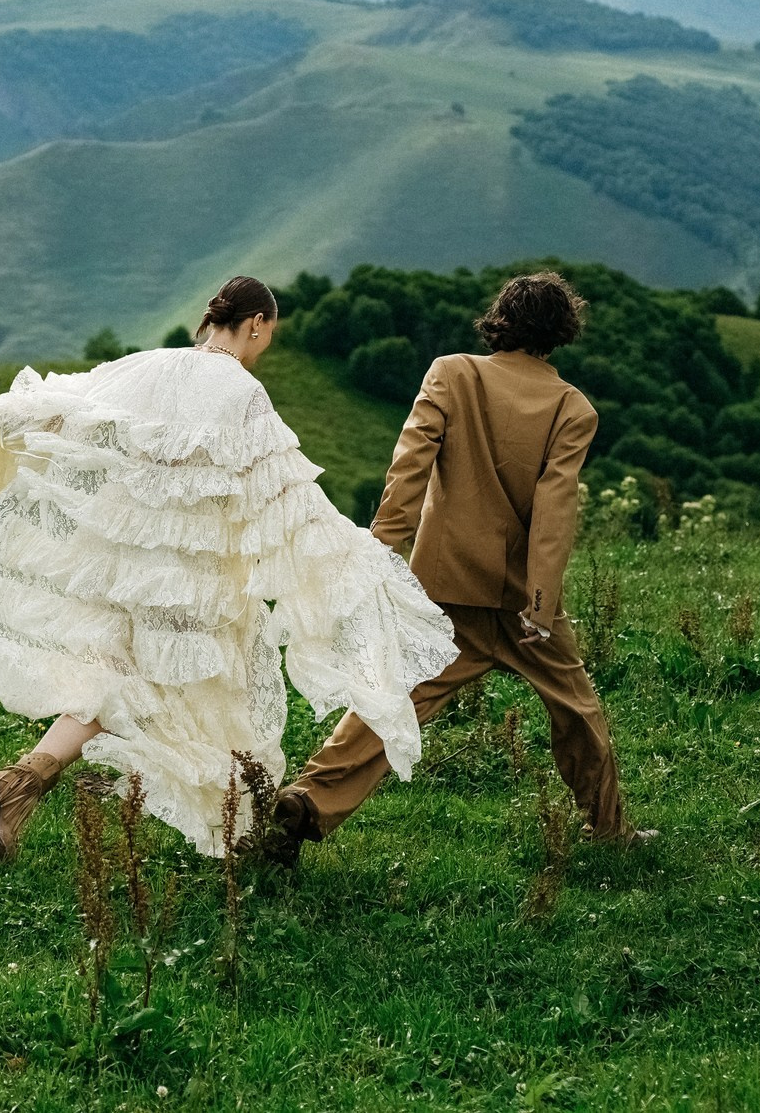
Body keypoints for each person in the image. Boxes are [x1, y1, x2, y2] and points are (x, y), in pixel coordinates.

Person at [0, 276, 458, 860]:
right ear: (256, 325)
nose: (264, 348)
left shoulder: (143, 365)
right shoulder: (242, 394)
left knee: (120, 682)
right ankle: (225, 819)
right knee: (169, 695)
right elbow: (287, 495)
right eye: (267, 336)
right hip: (188, 586)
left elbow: (66, 414)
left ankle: (19, 785)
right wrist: (360, 561)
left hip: (118, 566)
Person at [267, 270, 646, 862]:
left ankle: (308, 802)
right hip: (524, 604)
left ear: (501, 319)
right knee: (578, 710)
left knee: (393, 697)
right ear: (560, 333)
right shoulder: (573, 408)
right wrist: (541, 604)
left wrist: (383, 555)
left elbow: (408, 468)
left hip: (444, 589)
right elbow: (554, 511)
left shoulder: (451, 373)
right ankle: (610, 830)